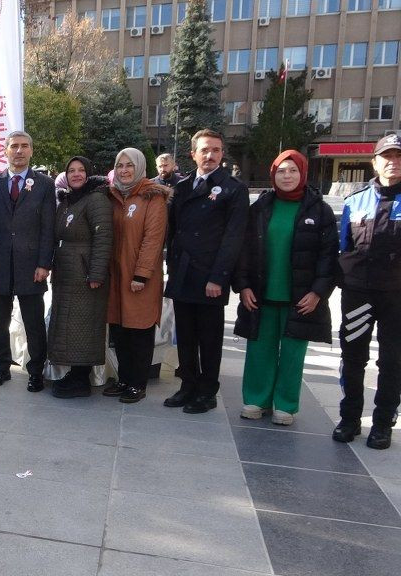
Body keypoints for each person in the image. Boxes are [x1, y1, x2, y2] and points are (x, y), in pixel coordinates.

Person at [233, 150, 336, 426]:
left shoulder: (319, 209)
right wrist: (243, 286)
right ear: (273, 174)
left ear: (303, 173)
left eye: (292, 170)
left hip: (300, 297)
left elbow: (329, 256)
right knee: (259, 350)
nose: (287, 176)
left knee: (292, 354)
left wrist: (318, 292)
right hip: (261, 294)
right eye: (281, 170)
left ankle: (286, 404)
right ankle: (256, 399)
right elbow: (245, 249)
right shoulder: (261, 207)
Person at [164, 129, 249, 414]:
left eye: (215, 150)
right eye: (204, 150)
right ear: (193, 154)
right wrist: (171, 267)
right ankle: (187, 385)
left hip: (210, 275)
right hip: (183, 272)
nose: (210, 155)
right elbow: (172, 231)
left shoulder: (233, 189)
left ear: (222, 154)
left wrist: (218, 277)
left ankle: (207, 390)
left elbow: (233, 238)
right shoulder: (183, 186)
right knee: (185, 335)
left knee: (209, 338)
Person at [334, 133, 401, 449]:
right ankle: (349, 419)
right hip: (358, 294)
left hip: (397, 298)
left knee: (392, 360)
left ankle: (383, 423)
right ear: (375, 162)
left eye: (399, 157)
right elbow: (343, 248)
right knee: (353, 357)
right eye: (387, 156)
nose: (393, 162)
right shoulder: (355, 201)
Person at [0, 130, 55, 392]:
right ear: (5, 151)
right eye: (14, 146)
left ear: (31, 151)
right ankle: (1, 368)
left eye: (24, 146)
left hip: (31, 267)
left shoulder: (44, 184)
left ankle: (35, 372)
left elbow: (48, 228)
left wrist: (44, 264)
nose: (19, 151)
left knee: (33, 323)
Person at [102, 148, 169, 403]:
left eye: (129, 165)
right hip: (116, 276)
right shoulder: (113, 195)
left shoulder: (152, 196)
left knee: (139, 330)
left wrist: (141, 274)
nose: (124, 170)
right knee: (119, 329)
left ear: (140, 167)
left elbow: (153, 239)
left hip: (140, 277)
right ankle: (124, 378)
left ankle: (137, 384)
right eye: (120, 166)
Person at [48, 156, 112, 398]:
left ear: (88, 173)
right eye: (71, 170)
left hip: (85, 275)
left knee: (84, 325)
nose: (76, 174)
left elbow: (103, 238)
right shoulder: (68, 200)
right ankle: (73, 374)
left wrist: (96, 273)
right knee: (69, 324)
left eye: (81, 170)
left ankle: (81, 379)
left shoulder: (96, 199)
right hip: (67, 273)